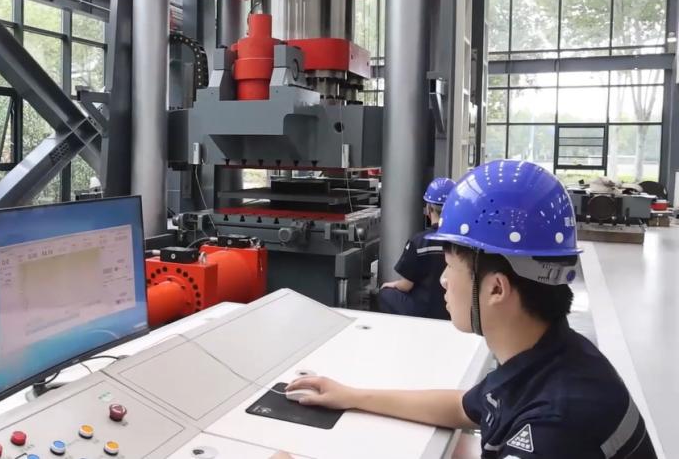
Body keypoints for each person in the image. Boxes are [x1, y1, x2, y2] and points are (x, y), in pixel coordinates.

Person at [280, 160, 657, 459]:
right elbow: (462, 408)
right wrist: (350, 395)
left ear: (496, 288)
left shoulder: (555, 426)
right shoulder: (547, 358)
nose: (443, 280)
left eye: (450, 266)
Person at [378, 177, 456, 320]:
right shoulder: (461, 242)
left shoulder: (418, 242)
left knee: (385, 294)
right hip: (452, 309)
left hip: (422, 310)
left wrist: (390, 285)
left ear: (429, 209)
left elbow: (406, 286)